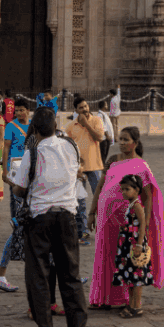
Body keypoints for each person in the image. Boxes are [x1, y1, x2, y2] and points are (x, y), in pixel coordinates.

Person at [10, 106, 90, 327]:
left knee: (39, 277)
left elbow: (20, 189)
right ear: (55, 126)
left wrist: (12, 182)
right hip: (67, 216)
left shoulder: (31, 154)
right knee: (71, 277)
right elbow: (76, 173)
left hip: (40, 219)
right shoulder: (71, 147)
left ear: (34, 128)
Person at [87, 126, 164, 311]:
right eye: (120, 139)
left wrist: (144, 224)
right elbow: (100, 186)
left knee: (123, 258)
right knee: (105, 256)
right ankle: (103, 298)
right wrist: (92, 212)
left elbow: (147, 198)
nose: (122, 143)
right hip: (106, 218)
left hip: (128, 221)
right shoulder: (113, 160)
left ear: (135, 143)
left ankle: (125, 299)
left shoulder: (142, 166)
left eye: (126, 139)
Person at [0, 98, 32, 293]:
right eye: (17, 110)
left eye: (22, 110)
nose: (19, 113)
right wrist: (5, 170)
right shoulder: (10, 127)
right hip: (16, 171)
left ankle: (66, 274)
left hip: (28, 171)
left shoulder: (33, 126)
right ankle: (0, 273)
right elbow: (6, 147)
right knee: (19, 224)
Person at [110, 173, 155, 318]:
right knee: (130, 275)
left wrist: (139, 245)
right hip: (128, 242)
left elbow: (142, 225)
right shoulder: (131, 204)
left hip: (135, 243)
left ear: (137, 190)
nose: (124, 192)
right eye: (122, 189)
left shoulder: (137, 205)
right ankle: (131, 304)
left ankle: (137, 306)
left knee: (136, 276)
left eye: (127, 189)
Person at [67, 98, 106, 242]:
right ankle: (82, 231)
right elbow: (67, 147)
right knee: (80, 201)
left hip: (95, 166)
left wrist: (86, 124)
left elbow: (100, 137)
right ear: (76, 110)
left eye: (86, 106)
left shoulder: (96, 121)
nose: (84, 109)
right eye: (81, 107)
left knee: (101, 199)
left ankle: (104, 229)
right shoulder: (70, 126)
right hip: (79, 169)